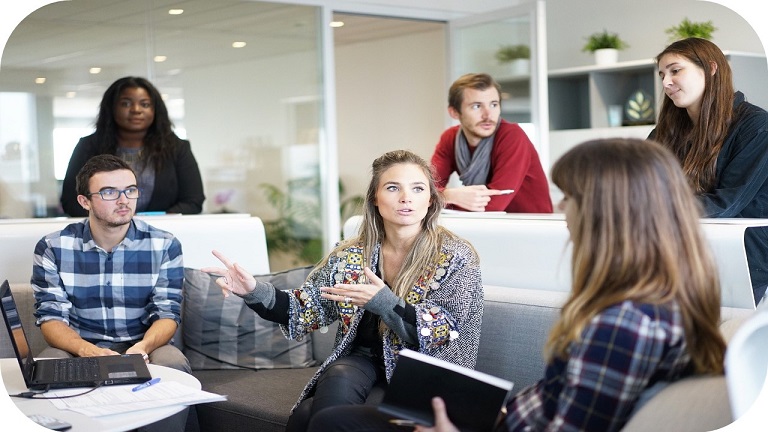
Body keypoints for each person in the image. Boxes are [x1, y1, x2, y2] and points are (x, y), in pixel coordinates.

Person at [309, 138, 726, 432]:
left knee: (333, 422)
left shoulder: (623, 324)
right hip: (505, 418)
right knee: (328, 417)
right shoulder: (652, 301)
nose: (561, 208)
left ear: (608, 212)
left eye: (570, 197)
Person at [202, 149, 484, 431]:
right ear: (375, 198)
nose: (406, 197)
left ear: (431, 199)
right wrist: (252, 290)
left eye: (418, 188)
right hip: (362, 361)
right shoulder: (351, 255)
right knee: (337, 377)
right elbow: (305, 308)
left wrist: (384, 302)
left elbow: (444, 331)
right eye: (392, 187)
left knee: (307, 415)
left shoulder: (456, 256)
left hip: (424, 371)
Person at [32, 154, 190, 374]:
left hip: (145, 345)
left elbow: (167, 313)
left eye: (130, 190)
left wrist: (142, 348)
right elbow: (51, 317)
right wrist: (87, 350)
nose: (124, 200)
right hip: (79, 346)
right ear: (84, 201)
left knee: (172, 363)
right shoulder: (52, 247)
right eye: (109, 192)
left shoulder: (165, 245)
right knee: (48, 366)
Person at [649, 37, 768, 304]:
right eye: (662, 75)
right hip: (679, 256)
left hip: (743, 261)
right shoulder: (664, 133)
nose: (666, 83)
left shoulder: (757, 126)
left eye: (675, 70)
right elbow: (639, 186)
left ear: (711, 69)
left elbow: (726, 203)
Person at [60, 76, 205, 217]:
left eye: (145, 104)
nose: (136, 110)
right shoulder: (88, 147)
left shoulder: (177, 148)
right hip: (104, 231)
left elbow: (193, 201)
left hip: (162, 230)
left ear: (155, 110)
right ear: (111, 108)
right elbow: (71, 202)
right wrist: (114, 220)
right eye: (126, 104)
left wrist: (152, 221)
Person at [430, 73, 552, 213]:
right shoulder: (450, 138)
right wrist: (450, 195)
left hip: (531, 223)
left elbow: (494, 205)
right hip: (485, 222)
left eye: (494, 105)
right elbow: (424, 190)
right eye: (477, 106)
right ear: (454, 112)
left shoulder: (512, 136)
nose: (488, 115)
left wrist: (440, 198)